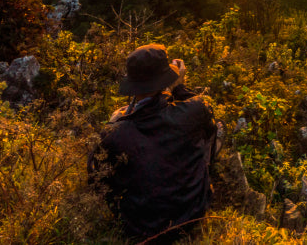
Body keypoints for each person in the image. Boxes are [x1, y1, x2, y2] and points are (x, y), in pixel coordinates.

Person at [93, 43, 218, 243]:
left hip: (140, 229)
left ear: (133, 84)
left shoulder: (114, 133)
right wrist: (179, 87)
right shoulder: (194, 111)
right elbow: (206, 113)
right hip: (192, 216)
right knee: (213, 127)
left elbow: (96, 175)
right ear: (165, 78)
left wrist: (116, 120)